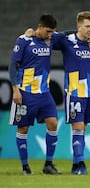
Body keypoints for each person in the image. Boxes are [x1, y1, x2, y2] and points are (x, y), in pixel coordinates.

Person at [8, 14, 61, 175]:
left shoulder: (51, 39)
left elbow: (70, 34)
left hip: (44, 93)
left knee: (53, 123)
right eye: (48, 31)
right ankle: (25, 167)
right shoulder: (24, 40)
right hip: (25, 92)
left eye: (52, 32)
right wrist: (15, 90)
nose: (50, 35)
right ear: (40, 27)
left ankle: (48, 165)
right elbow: (12, 65)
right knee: (23, 128)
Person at [52, 11, 90, 175]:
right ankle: (80, 164)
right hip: (74, 91)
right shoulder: (67, 41)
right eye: (87, 26)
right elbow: (51, 38)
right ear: (79, 26)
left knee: (83, 128)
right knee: (77, 127)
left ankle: (76, 163)